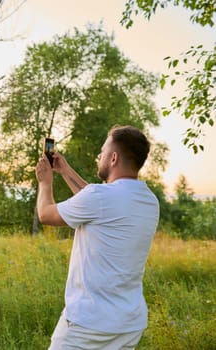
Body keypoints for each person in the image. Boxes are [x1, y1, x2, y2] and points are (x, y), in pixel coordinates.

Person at [35, 125, 159, 349]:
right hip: (129, 324)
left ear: (113, 158)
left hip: (87, 324)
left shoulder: (100, 197)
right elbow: (97, 201)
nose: (98, 156)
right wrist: (65, 171)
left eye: (102, 151)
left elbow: (45, 214)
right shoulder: (149, 200)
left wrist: (45, 182)